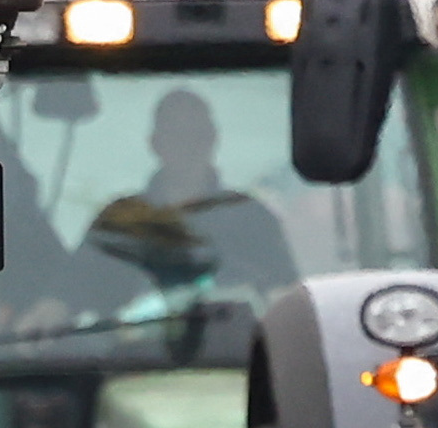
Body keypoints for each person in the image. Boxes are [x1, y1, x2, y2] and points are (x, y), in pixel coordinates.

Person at [81, 87, 298, 305]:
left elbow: (285, 299)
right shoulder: (118, 223)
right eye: (175, 135)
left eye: (196, 135)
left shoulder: (252, 218)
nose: (187, 146)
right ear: (155, 143)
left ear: (213, 139)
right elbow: (70, 295)